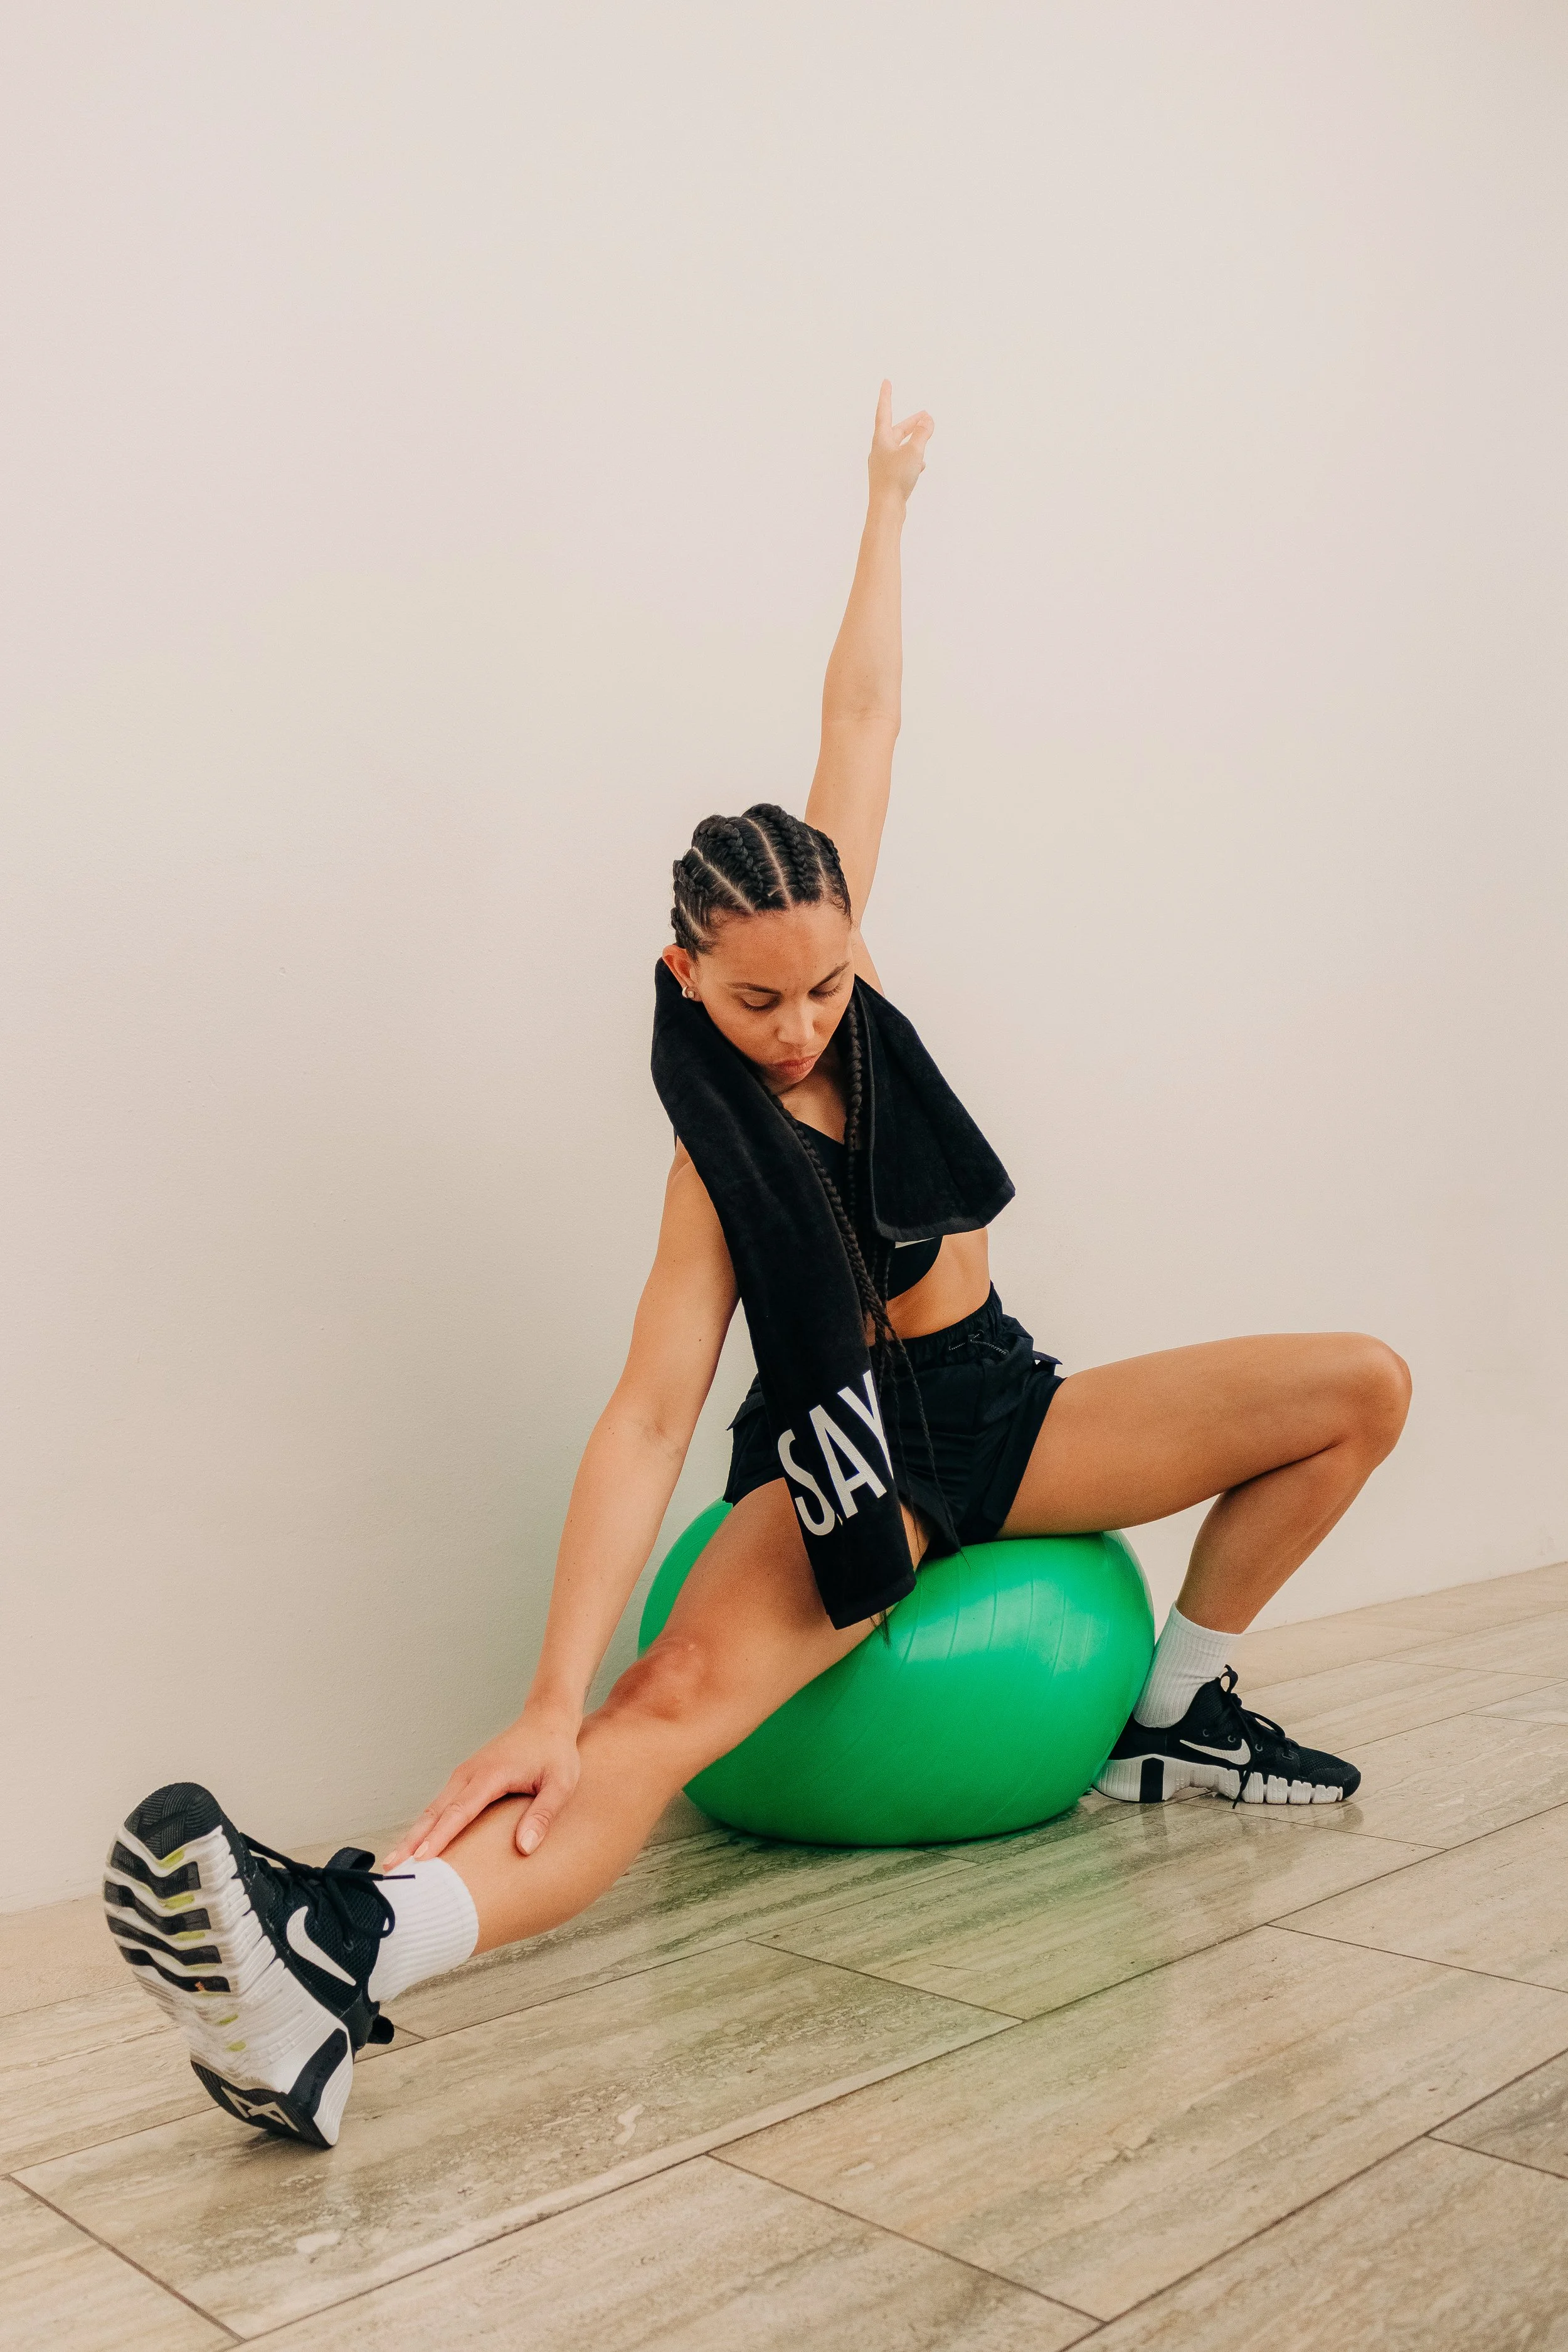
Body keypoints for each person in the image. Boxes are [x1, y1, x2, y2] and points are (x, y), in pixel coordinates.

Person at [102, 385, 1411, 2149]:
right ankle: (335, 1957)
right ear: (681, 970)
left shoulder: (823, 945)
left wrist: (885, 497)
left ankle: (1169, 1714)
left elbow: (861, 708)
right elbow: (646, 1420)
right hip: (842, 1453)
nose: (795, 1030)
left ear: (848, 937)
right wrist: (549, 1694)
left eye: (823, 986)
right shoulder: (713, 1171)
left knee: (1355, 1388)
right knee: (648, 1719)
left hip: (997, 1405)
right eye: (751, 1003)